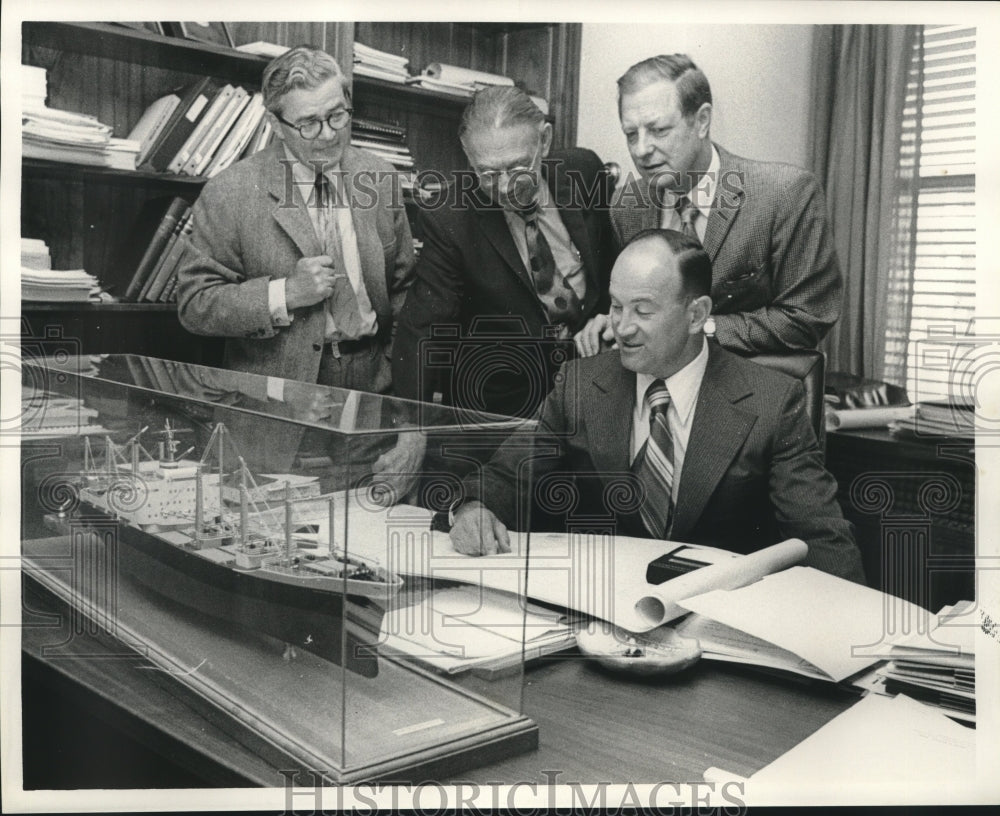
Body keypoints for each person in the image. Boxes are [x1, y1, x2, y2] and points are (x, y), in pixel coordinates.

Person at [452, 229, 865, 584]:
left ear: (696, 314)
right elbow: (508, 477)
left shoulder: (773, 402)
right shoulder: (579, 384)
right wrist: (472, 507)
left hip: (719, 625)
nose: (622, 328)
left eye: (643, 311)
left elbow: (821, 539)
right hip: (601, 611)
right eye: (616, 306)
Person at [176, 45, 418, 489]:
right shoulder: (231, 191)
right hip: (275, 409)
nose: (327, 135)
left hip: (371, 398)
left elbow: (405, 293)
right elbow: (195, 304)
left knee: (366, 539)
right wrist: (283, 293)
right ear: (275, 125)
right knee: (277, 543)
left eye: (337, 116)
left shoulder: (380, 179)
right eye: (308, 123)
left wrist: (404, 408)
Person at [576, 54, 842, 358]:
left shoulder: (783, 195)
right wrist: (614, 319)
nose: (642, 150)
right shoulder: (626, 206)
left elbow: (807, 316)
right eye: (630, 134)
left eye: (659, 130)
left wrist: (701, 327)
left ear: (701, 121)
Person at [392, 85, 617, 420]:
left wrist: (614, 319)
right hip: (503, 407)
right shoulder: (450, 215)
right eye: (488, 173)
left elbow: (614, 270)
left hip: (598, 388)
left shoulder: (584, 172)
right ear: (468, 157)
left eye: (517, 167)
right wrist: (413, 427)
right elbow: (423, 328)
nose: (505, 186)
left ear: (544, 140)